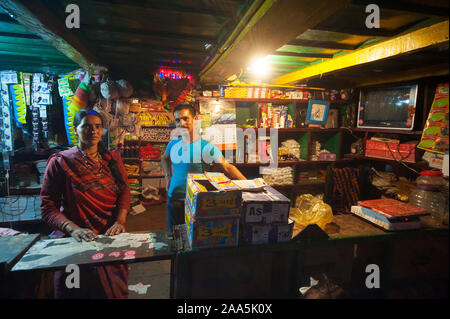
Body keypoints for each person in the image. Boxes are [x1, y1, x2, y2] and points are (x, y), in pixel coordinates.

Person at [40, 109, 130, 299]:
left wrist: (120, 221)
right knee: (74, 291)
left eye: (98, 127)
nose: (93, 131)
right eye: (86, 126)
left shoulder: (112, 159)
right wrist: (72, 229)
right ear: (75, 130)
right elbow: (48, 207)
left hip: (108, 237)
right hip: (75, 239)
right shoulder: (61, 162)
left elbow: (124, 193)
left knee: (112, 291)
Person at [161, 104, 246, 231]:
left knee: (195, 239)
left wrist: (248, 185)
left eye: (185, 118)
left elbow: (226, 167)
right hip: (174, 201)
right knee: (173, 237)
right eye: (178, 120)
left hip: (197, 202)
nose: (181, 123)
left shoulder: (206, 146)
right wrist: (168, 177)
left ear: (195, 119)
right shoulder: (173, 143)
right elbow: (164, 158)